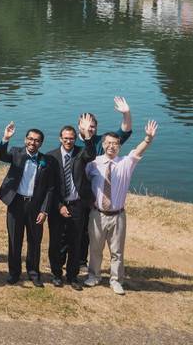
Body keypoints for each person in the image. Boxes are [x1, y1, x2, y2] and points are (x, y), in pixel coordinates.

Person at [84, 120, 159, 295]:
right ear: (103, 145)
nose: (112, 146)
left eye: (115, 144)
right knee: (95, 248)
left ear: (119, 146)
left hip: (117, 215)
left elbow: (139, 150)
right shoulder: (93, 163)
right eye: (108, 143)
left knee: (117, 251)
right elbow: (85, 182)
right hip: (97, 214)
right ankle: (94, 276)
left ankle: (116, 280)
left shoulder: (126, 163)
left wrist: (148, 138)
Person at [0, 123, 56, 287]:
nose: (32, 142)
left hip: (35, 207)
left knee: (35, 241)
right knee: (14, 240)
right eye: (30, 139)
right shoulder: (16, 152)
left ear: (41, 143)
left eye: (36, 140)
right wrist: (5, 138)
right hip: (16, 203)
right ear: (25, 139)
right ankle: (14, 273)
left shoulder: (46, 161)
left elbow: (50, 189)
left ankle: (33, 273)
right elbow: (2, 156)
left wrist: (44, 210)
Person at [77, 97, 133, 266]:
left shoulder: (103, 142)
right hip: (76, 194)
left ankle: (82, 262)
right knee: (73, 229)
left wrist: (126, 114)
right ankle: (64, 259)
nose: (90, 129)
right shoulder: (71, 141)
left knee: (91, 233)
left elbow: (124, 131)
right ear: (79, 125)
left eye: (93, 126)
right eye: (86, 125)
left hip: (96, 196)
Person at [46, 124, 96, 290]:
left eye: (71, 138)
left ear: (75, 139)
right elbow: (50, 186)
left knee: (76, 241)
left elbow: (91, 153)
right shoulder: (51, 156)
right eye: (65, 138)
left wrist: (87, 136)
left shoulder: (81, 152)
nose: (68, 141)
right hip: (58, 206)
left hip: (77, 205)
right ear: (60, 138)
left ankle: (73, 276)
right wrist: (59, 205)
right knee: (57, 241)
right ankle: (56, 274)